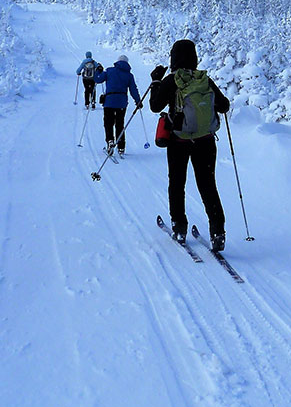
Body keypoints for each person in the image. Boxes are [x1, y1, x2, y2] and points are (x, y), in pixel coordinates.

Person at [149, 39, 230, 251]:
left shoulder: (172, 80)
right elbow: (224, 105)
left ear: (173, 58)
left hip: (179, 141)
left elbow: (155, 106)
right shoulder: (204, 79)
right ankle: (218, 232)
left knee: (177, 183)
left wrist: (156, 81)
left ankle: (179, 227)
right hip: (206, 141)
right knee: (207, 184)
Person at [95, 55, 142, 155]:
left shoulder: (109, 71)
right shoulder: (129, 75)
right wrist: (138, 101)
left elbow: (98, 80)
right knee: (120, 124)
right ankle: (121, 147)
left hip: (109, 102)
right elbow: (133, 89)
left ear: (117, 61)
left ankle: (110, 141)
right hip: (122, 103)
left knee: (108, 123)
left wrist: (98, 71)